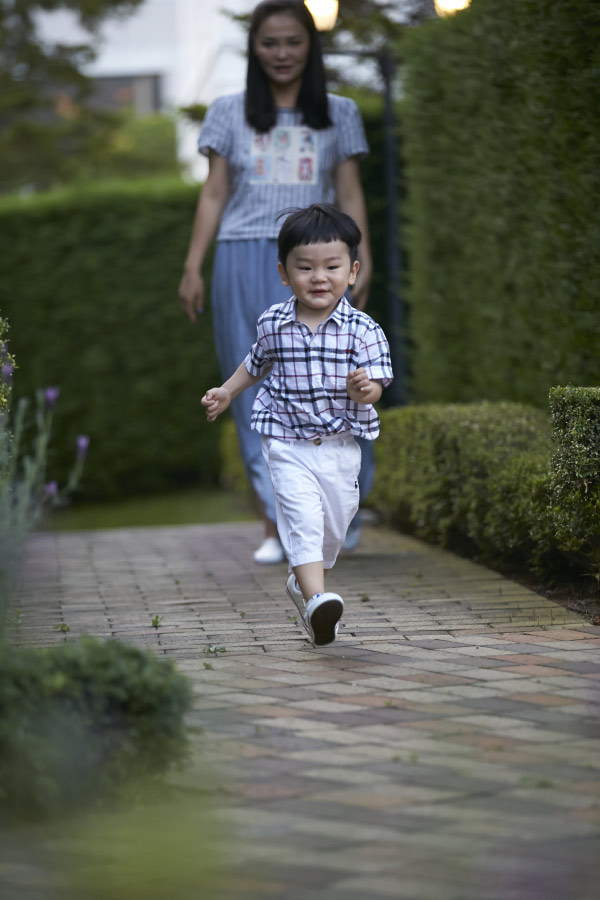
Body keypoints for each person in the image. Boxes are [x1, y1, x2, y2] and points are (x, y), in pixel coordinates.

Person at [179, 0, 375, 564]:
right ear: (254, 48)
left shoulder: (339, 112)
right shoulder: (227, 111)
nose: (282, 53)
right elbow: (214, 193)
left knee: (339, 379)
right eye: (270, 43)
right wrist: (193, 265)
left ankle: (339, 511)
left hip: (322, 261)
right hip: (243, 257)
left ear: (310, 46)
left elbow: (352, 194)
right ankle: (277, 525)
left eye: (293, 42)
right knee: (255, 390)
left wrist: (361, 262)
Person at [201, 204, 393, 646]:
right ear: (285, 274)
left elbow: (376, 386)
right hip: (286, 442)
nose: (318, 277)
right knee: (303, 519)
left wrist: (365, 389)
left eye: (332, 266)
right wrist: (228, 391)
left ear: (353, 271)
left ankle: (304, 589)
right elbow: (255, 365)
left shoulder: (364, 330)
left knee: (334, 526)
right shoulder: (274, 322)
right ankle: (317, 600)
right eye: (304, 267)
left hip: (340, 445)